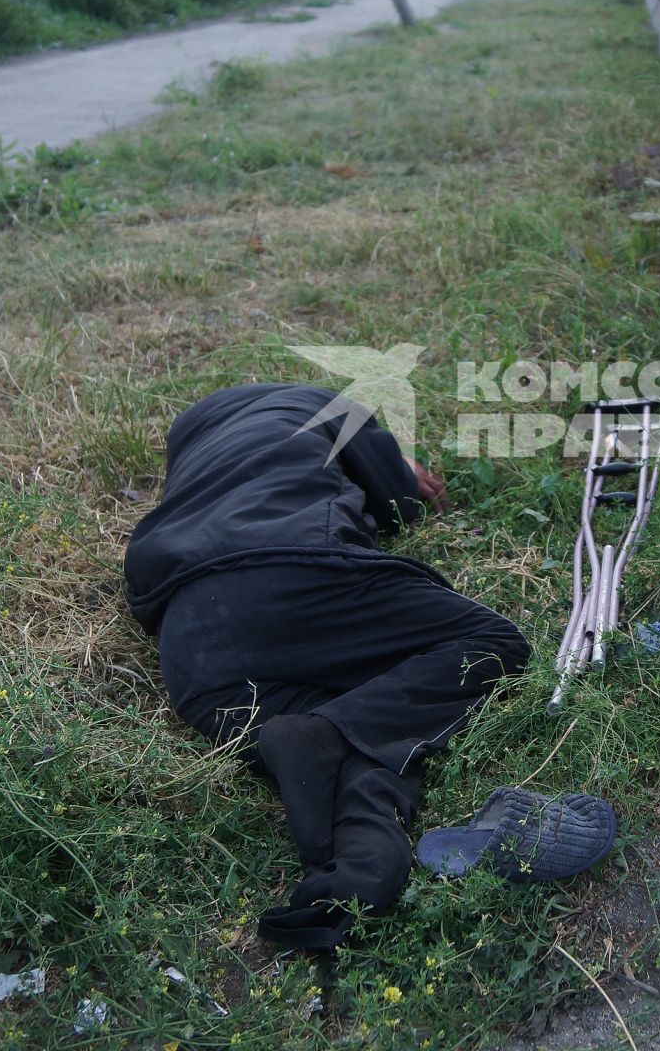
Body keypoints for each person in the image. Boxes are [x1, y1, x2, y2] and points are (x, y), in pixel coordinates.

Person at [123, 383, 528, 948]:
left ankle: (356, 881)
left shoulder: (192, 441)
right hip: (293, 575)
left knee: (355, 726)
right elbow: (401, 500)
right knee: (492, 641)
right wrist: (399, 468)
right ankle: (324, 736)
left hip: (194, 654)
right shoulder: (317, 401)